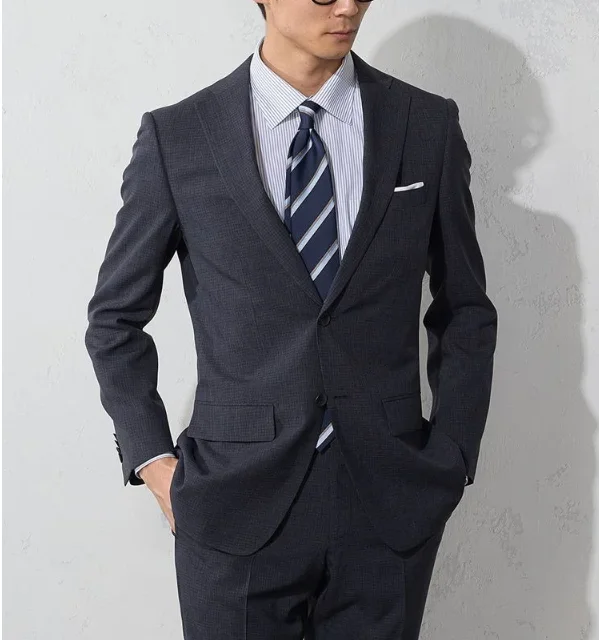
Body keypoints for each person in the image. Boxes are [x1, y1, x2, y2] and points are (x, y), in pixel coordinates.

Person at [84, 0, 498, 637]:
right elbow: (115, 319)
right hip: (232, 504)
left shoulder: (426, 125)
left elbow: (465, 309)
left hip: (389, 502)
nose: (349, 6)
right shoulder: (180, 135)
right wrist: (153, 460)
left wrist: (452, 455)